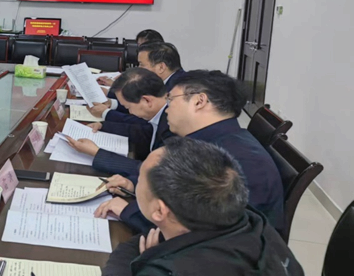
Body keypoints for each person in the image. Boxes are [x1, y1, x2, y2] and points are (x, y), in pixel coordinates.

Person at [93, 70, 285, 235]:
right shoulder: (212, 140)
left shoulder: (235, 161)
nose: (166, 109)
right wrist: (133, 184)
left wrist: (129, 211)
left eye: (171, 99)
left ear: (199, 101)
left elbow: (202, 232)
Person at [103, 137, 303, 276]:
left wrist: (148, 260)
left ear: (159, 211)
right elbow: (137, 243)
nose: (135, 182)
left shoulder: (168, 270)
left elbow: (124, 258)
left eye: (139, 180)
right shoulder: (251, 220)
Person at [64, 68, 174, 177]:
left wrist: (96, 153)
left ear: (147, 101)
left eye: (128, 107)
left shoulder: (173, 127)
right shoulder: (163, 113)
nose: (130, 112)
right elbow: (145, 131)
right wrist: (104, 126)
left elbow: (154, 172)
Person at [94, 42, 185, 116]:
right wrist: (112, 103)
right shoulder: (169, 81)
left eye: (142, 64)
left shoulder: (177, 92)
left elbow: (145, 124)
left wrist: (107, 114)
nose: (138, 69)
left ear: (161, 67)